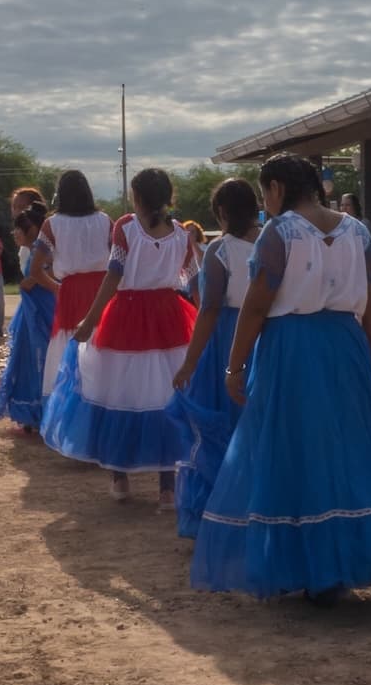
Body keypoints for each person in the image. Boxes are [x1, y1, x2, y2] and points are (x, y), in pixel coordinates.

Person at [191, 153, 371, 603]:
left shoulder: (280, 231)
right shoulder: (358, 230)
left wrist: (234, 366)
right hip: (345, 346)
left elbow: (255, 307)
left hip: (291, 349)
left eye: (265, 192)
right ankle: (343, 561)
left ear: (276, 189)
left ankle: (303, 563)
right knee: (345, 447)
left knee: (291, 448)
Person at [42, 169, 197, 507]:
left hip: (127, 316)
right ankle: (167, 486)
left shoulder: (126, 227)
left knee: (117, 391)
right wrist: (201, 321)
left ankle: (120, 476)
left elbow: (113, 277)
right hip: (170, 317)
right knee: (164, 395)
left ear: (136, 197)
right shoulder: (182, 234)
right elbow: (195, 282)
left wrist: (90, 319)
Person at [166, 179, 261, 538]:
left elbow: (208, 310)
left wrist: (190, 362)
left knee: (221, 424)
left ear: (221, 212)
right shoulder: (273, 242)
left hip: (226, 340)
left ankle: (224, 511)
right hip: (267, 336)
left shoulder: (221, 249)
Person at [35, 170, 113, 403]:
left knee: (70, 347)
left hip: (70, 292)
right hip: (103, 290)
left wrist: (56, 288)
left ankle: (72, 402)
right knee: (103, 345)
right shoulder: (105, 221)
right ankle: (103, 400)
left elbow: (36, 270)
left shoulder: (52, 224)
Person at [0, 203, 53, 433]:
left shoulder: (44, 250)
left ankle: (41, 410)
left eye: (20, 229)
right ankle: (32, 410)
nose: (16, 233)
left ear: (33, 229)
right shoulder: (33, 250)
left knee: (42, 357)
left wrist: (35, 280)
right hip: (30, 311)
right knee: (28, 358)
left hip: (43, 310)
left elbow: (56, 270)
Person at [9, 186, 47, 278]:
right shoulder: (24, 246)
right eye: (14, 207)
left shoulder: (46, 239)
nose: (16, 212)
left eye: (21, 207)